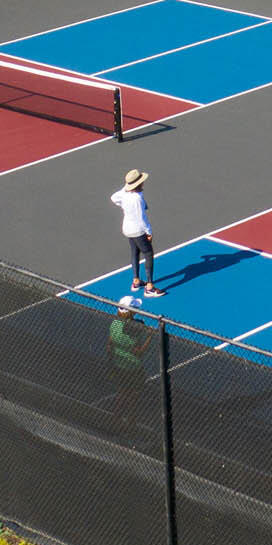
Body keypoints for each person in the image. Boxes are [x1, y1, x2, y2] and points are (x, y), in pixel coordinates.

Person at [107, 294, 152, 428]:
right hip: (133, 368)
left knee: (121, 393)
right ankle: (131, 422)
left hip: (118, 365)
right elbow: (139, 352)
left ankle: (116, 418)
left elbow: (109, 345)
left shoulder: (114, 324)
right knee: (133, 396)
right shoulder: (137, 327)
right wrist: (150, 336)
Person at [112, 168, 157, 297]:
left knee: (135, 252)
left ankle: (136, 281)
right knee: (148, 253)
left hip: (127, 229)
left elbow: (114, 197)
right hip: (138, 230)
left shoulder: (125, 194)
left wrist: (123, 203)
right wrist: (149, 232)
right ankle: (149, 287)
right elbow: (141, 218)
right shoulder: (137, 198)